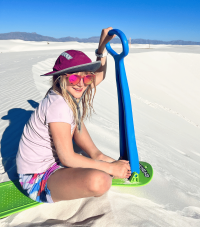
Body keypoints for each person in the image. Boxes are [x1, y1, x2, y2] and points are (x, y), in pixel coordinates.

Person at [16, 27, 131, 203]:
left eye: (86, 77)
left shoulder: (68, 92)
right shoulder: (59, 105)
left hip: (54, 165)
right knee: (100, 181)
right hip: (36, 178)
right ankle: (102, 163)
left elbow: (99, 76)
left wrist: (101, 49)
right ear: (60, 78)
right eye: (73, 78)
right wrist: (109, 169)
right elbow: (67, 157)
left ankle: (98, 156)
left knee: (79, 122)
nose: (81, 84)